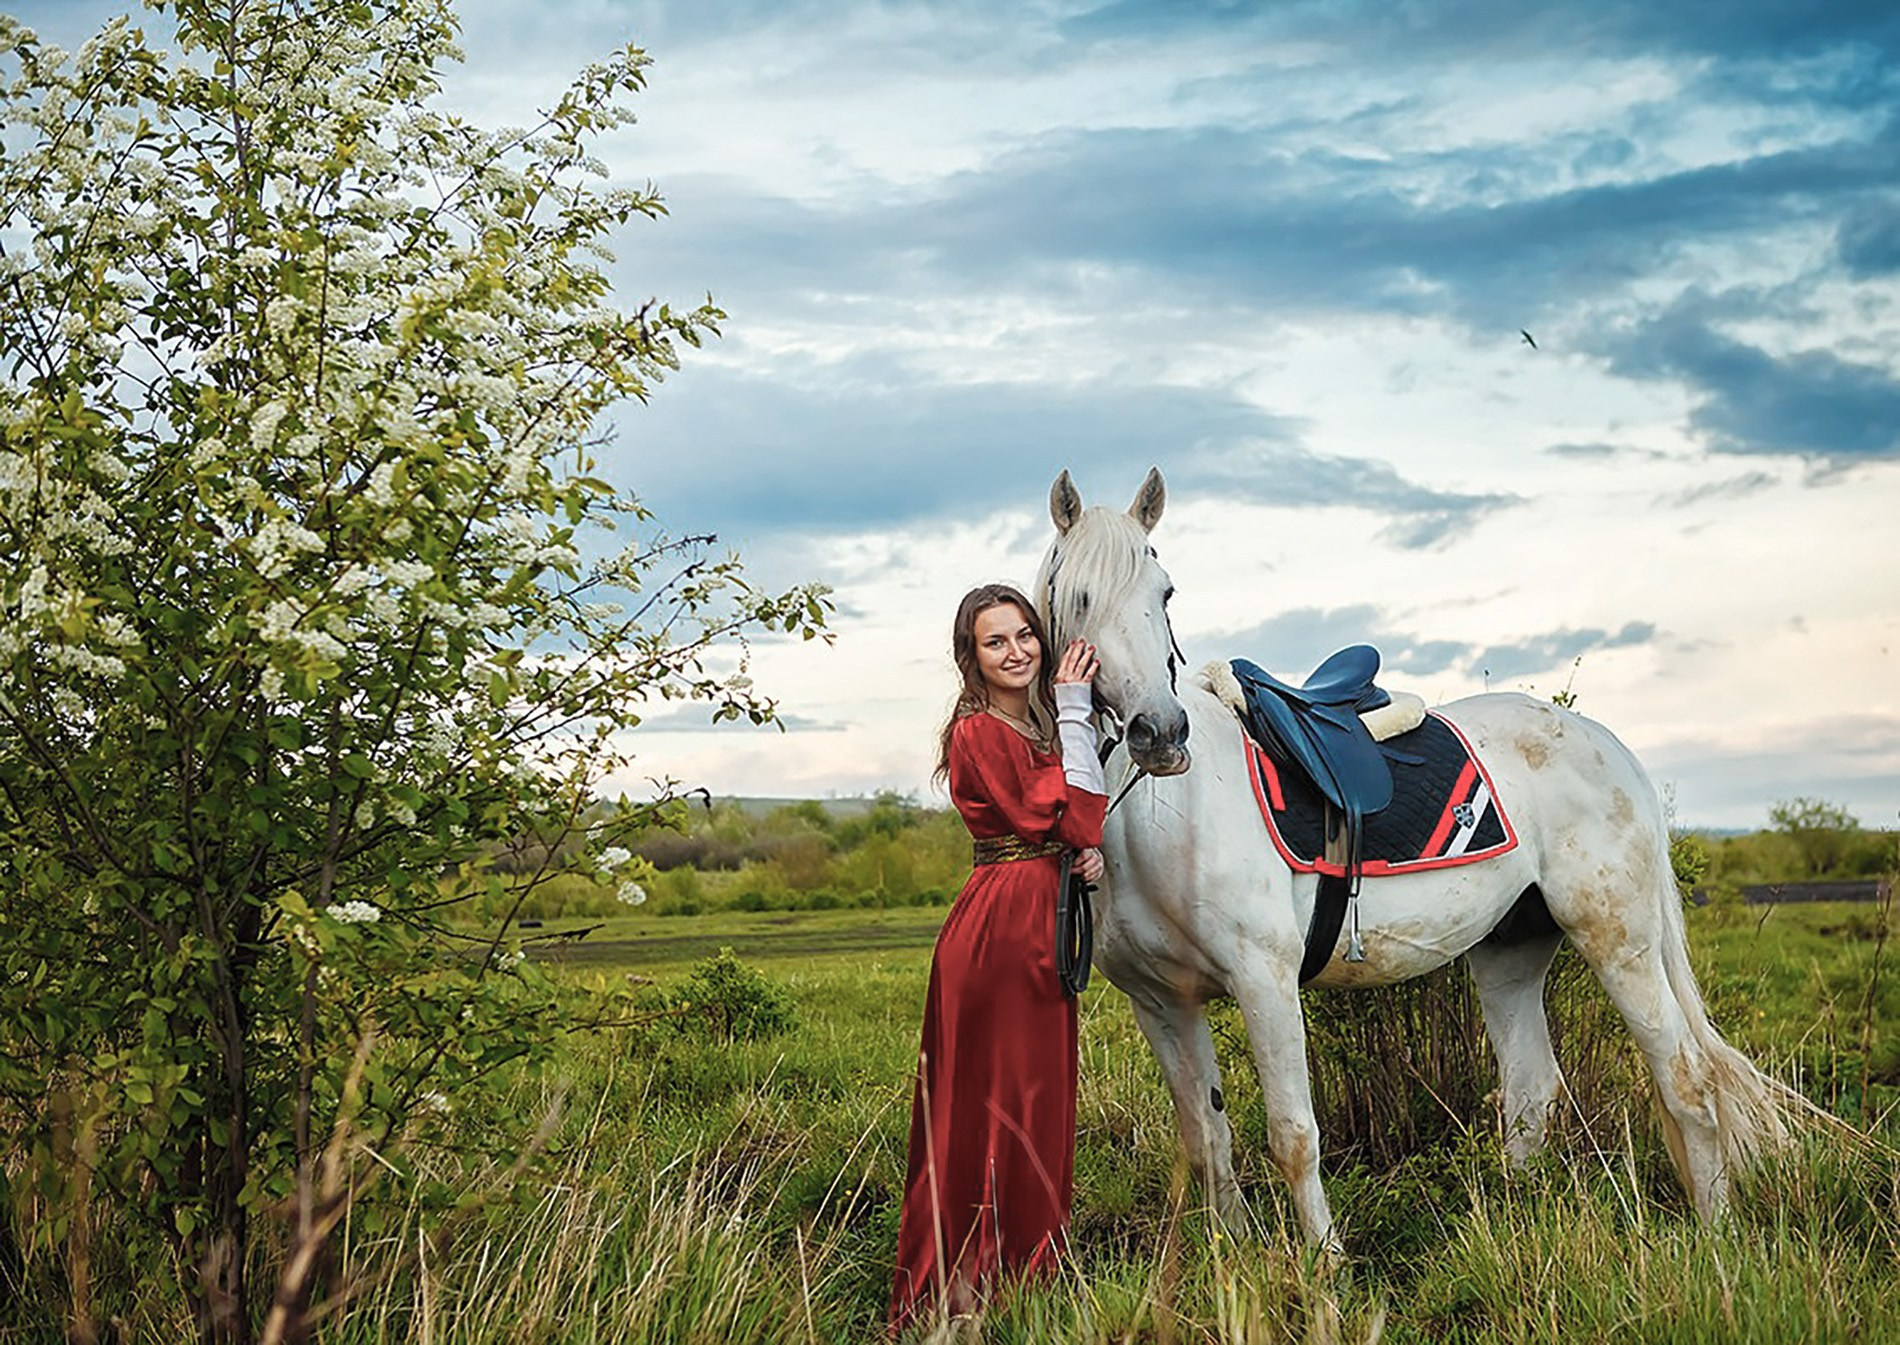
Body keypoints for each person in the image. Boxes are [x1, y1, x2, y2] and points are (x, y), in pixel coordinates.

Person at [889, 582, 1108, 1329]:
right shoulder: (980, 731)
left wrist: (1081, 860)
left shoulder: (1030, 730)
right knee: (992, 1104)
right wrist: (1076, 707)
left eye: (1024, 635)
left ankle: (1029, 1267)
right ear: (971, 657)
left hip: (1031, 917)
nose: (1017, 651)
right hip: (999, 935)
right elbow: (1070, 811)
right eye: (996, 641)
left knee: (1036, 1098)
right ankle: (966, 1278)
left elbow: (1070, 830)